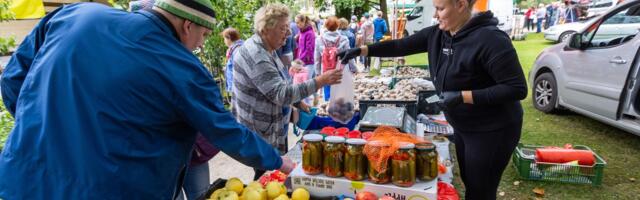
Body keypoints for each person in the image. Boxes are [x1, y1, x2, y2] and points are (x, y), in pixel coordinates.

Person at [0, 1, 296, 199]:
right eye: (204, 36)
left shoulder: (74, 14)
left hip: (23, 180)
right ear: (187, 26)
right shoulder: (182, 68)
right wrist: (277, 161)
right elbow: (226, 131)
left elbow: (13, 80)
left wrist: (42, 127)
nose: (200, 45)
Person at [338, 0, 527, 199]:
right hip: (463, 125)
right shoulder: (439, 33)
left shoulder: (491, 39)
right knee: (469, 179)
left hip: (492, 129)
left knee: (481, 189)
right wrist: (361, 51)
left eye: (440, 9)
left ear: (461, 5)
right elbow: (400, 46)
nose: (435, 15)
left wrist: (463, 96)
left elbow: (516, 88)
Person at [232, 3, 343, 180]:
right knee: (265, 178)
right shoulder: (256, 55)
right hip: (260, 135)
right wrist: (320, 81)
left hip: (271, 129)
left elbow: (277, 83)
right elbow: (280, 93)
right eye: (283, 28)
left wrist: (298, 102)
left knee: (272, 174)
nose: (289, 33)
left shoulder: (267, 48)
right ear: (266, 29)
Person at [314, 16, 355, 101]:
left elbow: (317, 58)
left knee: (328, 93)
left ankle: (328, 107)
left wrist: (317, 72)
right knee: (340, 94)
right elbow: (349, 55)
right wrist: (354, 68)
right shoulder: (343, 39)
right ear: (337, 26)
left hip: (326, 69)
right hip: (341, 69)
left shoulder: (319, 39)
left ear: (326, 26)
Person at [222, 27, 244, 94]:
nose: (224, 41)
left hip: (239, 88)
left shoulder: (237, 50)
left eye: (224, 38)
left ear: (228, 38)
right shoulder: (233, 50)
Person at [295, 14, 316, 80]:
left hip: (308, 62)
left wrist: (301, 60)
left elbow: (309, 49)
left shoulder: (309, 33)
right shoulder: (302, 31)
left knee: (307, 82)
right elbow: (301, 47)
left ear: (303, 21)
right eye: (296, 22)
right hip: (303, 60)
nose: (296, 24)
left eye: (298, 22)